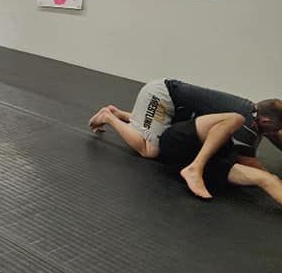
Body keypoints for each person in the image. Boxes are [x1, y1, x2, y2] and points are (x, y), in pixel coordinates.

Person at [90, 79, 282, 197]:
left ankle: (123, 114)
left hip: (176, 112)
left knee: (161, 129)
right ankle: (108, 116)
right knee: (150, 149)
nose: (277, 132)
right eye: (277, 127)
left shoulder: (259, 115)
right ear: (265, 120)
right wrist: (272, 180)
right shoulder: (246, 123)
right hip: (160, 96)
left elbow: (277, 136)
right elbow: (250, 163)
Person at [157, 114, 282, 206]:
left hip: (178, 143)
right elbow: (254, 166)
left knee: (268, 179)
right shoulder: (246, 134)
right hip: (179, 144)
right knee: (268, 178)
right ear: (266, 121)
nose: (276, 132)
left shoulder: (248, 119)